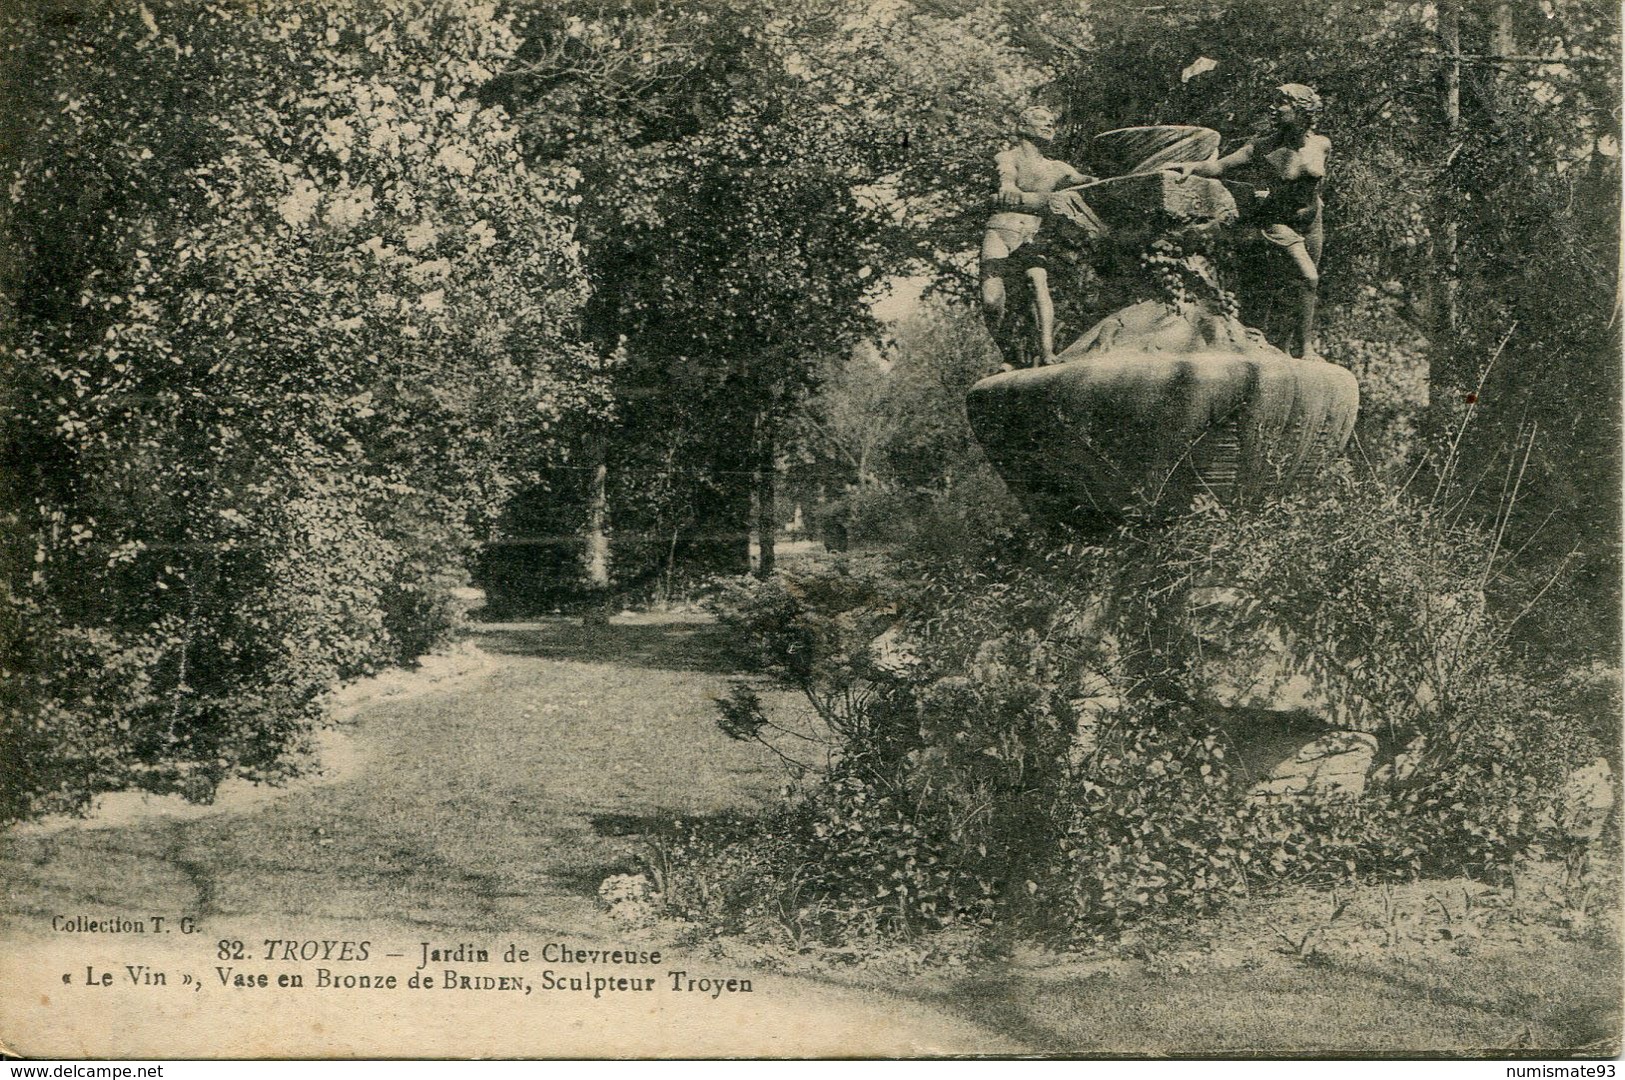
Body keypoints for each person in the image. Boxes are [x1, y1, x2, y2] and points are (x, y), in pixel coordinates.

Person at [1171, 83, 1330, 360]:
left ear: (1303, 110)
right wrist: (1193, 166)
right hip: (1279, 220)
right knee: (1309, 277)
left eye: (1282, 102)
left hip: (1313, 221)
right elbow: (1219, 167)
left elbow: (1316, 180)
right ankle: (1306, 350)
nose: (1274, 107)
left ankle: (1291, 348)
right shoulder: (1263, 147)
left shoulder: (1322, 144)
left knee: (1302, 288)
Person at [980, 106, 1095, 367]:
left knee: (1037, 283)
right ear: (1023, 127)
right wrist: (1008, 187)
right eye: (1042, 120)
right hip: (1000, 231)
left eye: (1052, 122)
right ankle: (1009, 355)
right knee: (991, 299)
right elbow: (1005, 176)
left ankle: (1047, 352)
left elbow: (1090, 181)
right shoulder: (1008, 157)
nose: (1049, 125)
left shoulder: (1058, 169)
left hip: (1032, 233)